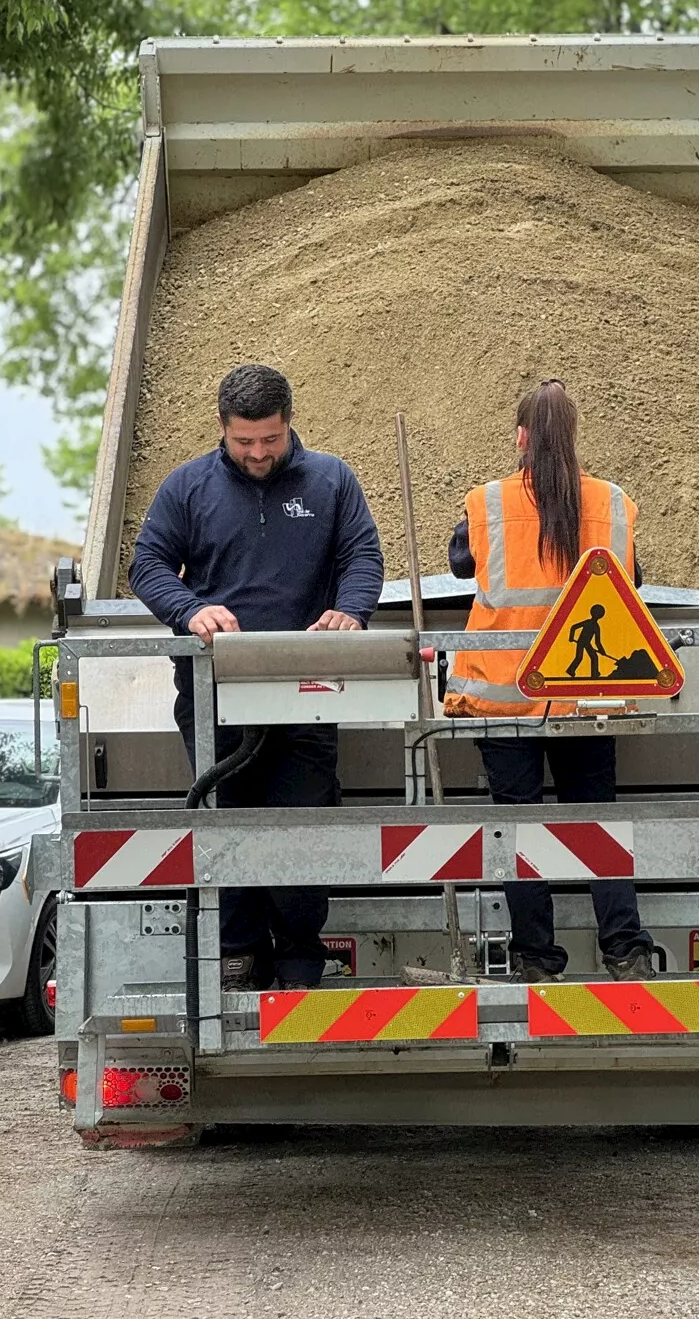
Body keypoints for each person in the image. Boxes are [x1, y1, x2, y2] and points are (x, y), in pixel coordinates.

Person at [129, 363, 384, 991]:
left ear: (288, 424)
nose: (258, 453)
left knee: (304, 821)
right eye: (244, 442)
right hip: (216, 695)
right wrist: (191, 610)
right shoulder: (187, 487)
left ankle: (299, 956)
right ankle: (236, 954)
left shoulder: (330, 480)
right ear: (223, 429)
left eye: (269, 440)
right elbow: (149, 565)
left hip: (308, 693)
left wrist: (350, 611)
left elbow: (363, 555)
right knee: (226, 823)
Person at [443, 378, 654, 984]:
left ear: (520, 438)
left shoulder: (484, 504)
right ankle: (624, 949)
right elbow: (632, 579)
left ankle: (536, 956)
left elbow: (462, 566)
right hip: (587, 695)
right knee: (597, 821)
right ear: (573, 438)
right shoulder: (612, 503)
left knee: (520, 828)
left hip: (506, 699)